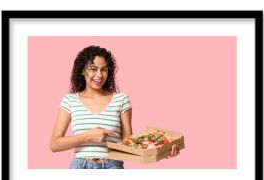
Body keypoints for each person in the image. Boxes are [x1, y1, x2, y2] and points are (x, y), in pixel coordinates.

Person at [50, 45, 179, 169]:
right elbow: (54, 144)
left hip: (113, 166)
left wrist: (162, 151)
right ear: (83, 70)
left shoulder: (121, 99)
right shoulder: (70, 100)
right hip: (80, 166)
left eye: (104, 69)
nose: (99, 75)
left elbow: (128, 145)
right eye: (93, 69)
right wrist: (88, 136)